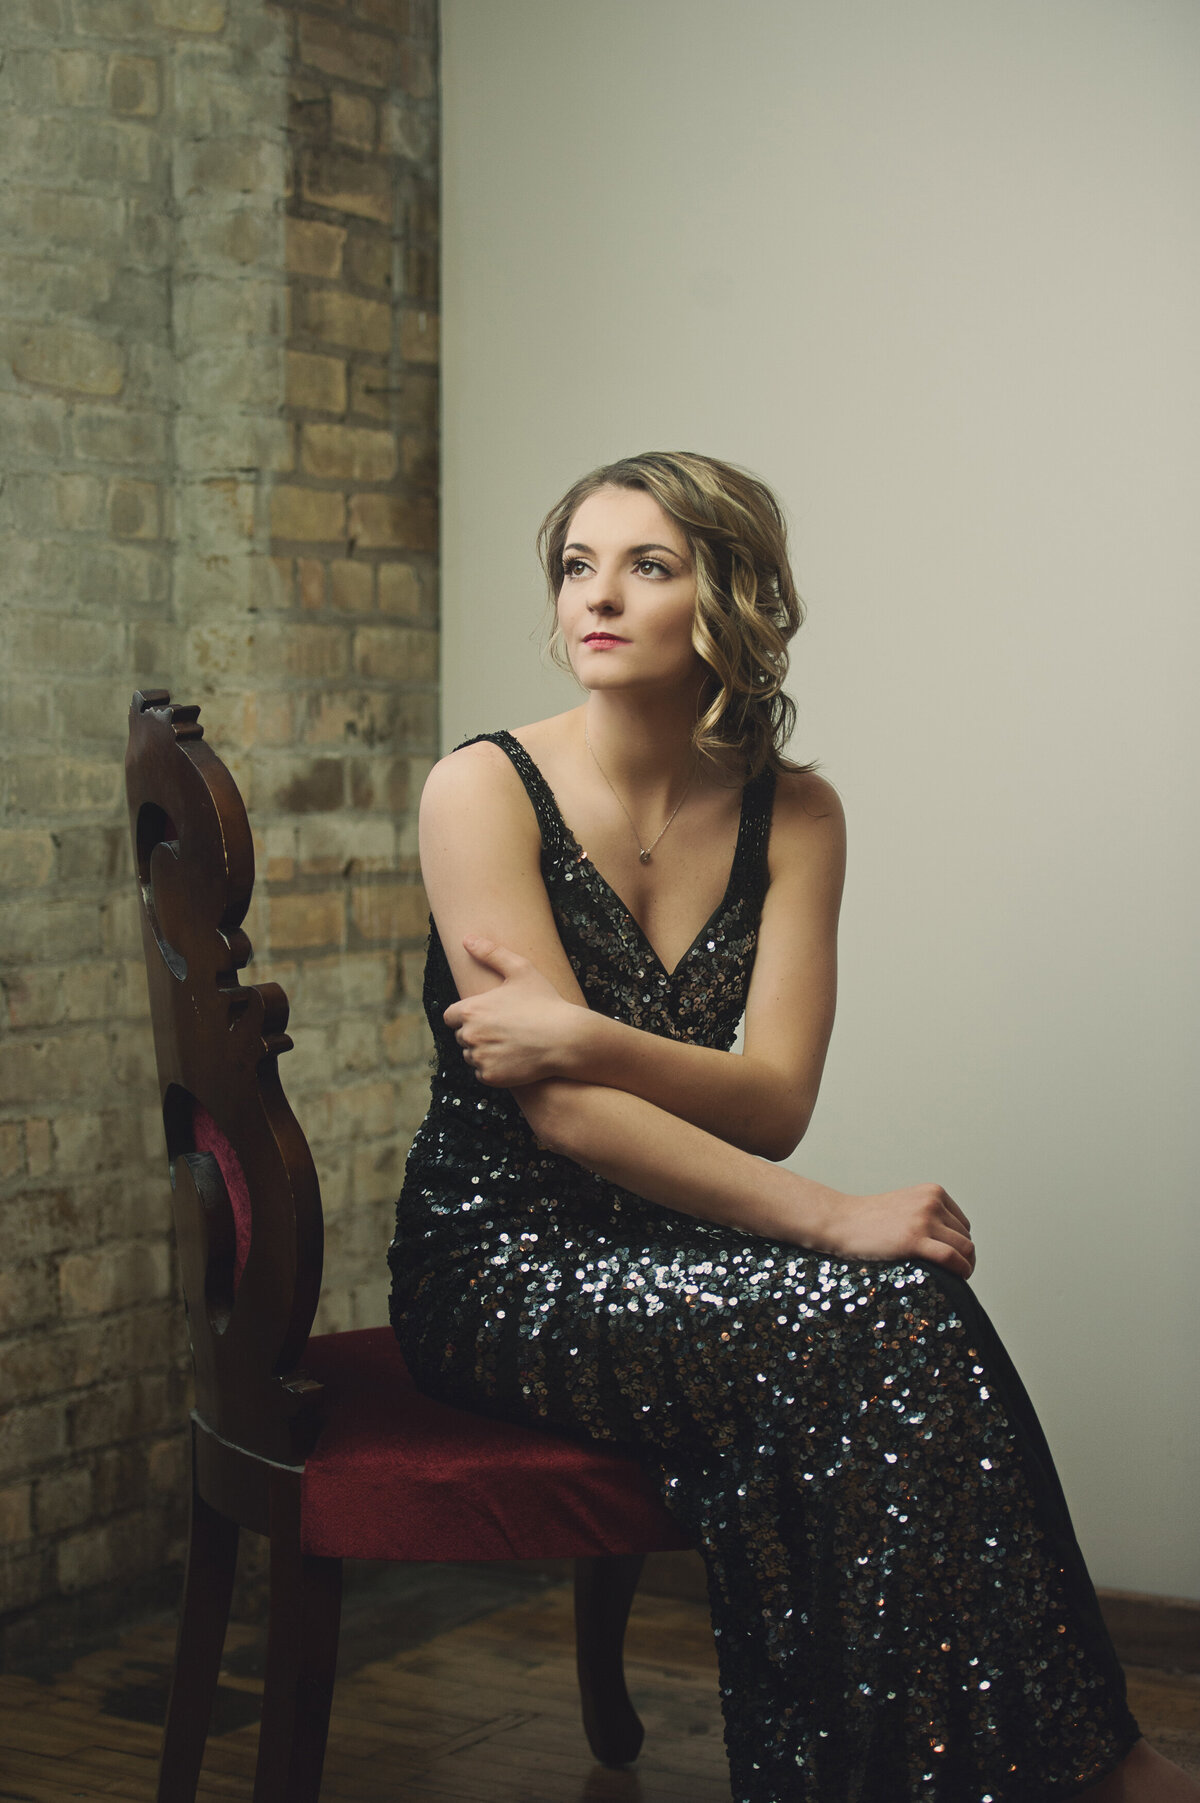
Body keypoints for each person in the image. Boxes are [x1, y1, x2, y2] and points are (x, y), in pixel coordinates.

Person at [388, 452, 1192, 1802]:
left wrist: (585, 1029)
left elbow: (773, 1101)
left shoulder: (795, 814)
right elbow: (570, 1121)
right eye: (579, 564)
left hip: (686, 1244)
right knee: (883, 1310)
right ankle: (1093, 1771)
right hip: (505, 1267)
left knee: (914, 1316)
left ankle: (998, 1767)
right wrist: (833, 1212)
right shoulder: (478, 789)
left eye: (650, 564)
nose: (599, 595)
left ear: (733, 598)